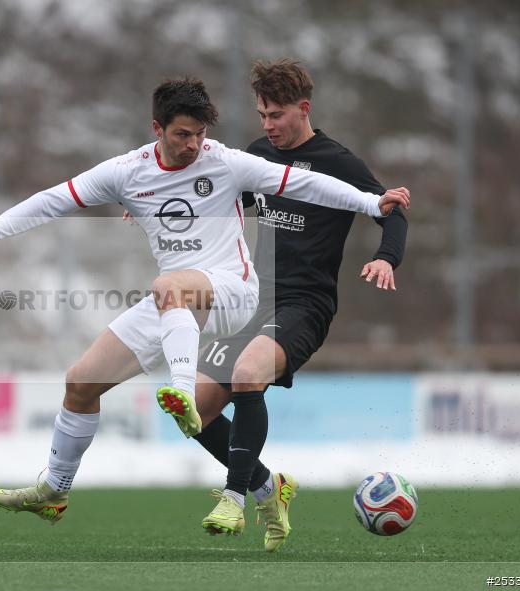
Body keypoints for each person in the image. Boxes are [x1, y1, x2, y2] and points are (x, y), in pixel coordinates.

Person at [0, 78, 410, 524]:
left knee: (169, 289)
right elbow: (52, 200)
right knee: (81, 382)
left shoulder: (224, 161)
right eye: (183, 134)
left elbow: (302, 182)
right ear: (157, 129)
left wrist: (372, 205)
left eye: (200, 133)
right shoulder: (127, 172)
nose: (193, 144)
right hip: (177, 302)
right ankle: (56, 491)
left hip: (234, 292)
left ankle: (181, 390)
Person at [165, 59, 409, 549]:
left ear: (304, 109)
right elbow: (217, 200)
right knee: (194, 409)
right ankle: (267, 486)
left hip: (305, 303)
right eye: (261, 114)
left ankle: (234, 498)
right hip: (251, 296)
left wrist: (386, 259)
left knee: (249, 372)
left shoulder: (338, 162)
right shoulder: (259, 156)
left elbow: (392, 209)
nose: (268, 125)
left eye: (276, 114)